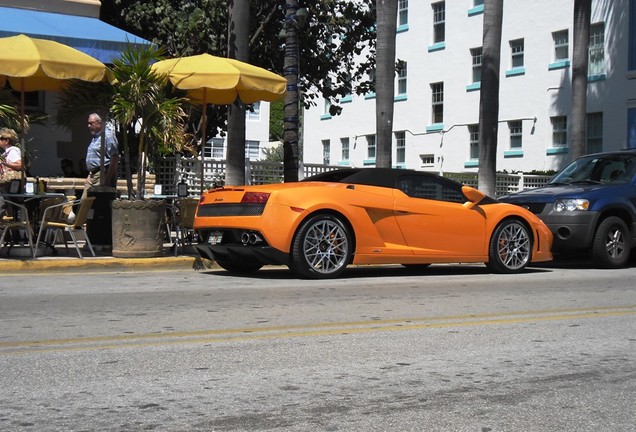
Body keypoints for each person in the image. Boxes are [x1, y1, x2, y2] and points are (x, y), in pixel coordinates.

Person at [82, 113, 119, 198]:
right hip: (93, 176)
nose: (88, 126)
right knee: (84, 203)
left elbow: (115, 157)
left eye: (91, 123)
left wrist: (108, 178)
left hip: (102, 175)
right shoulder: (95, 137)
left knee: (96, 204)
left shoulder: (107, 136)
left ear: (99, 123)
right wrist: (90, 174)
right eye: (88, 123)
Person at [0, 127, 22, 217]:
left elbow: (20, 165)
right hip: (6, 184)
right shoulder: (6, 153)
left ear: (7, 140)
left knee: (5, 202)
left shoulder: (12, 151)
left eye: (1, 139)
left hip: (9, 184)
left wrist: (6, 164)